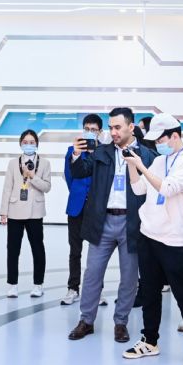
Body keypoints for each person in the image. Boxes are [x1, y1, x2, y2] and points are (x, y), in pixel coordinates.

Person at [121, 114, 183, 365]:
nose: (157, 144)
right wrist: (131, 164)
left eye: (160, 139)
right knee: (149, 292)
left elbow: (168, 188)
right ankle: (149, 340)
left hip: (175, 238)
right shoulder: (160, 161)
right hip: (149, 234)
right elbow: (139, 189)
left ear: (174, 136)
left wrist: (141, 165)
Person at [67, 107, 156, 343]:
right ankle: (86, 320)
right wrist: (76, 155)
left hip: (132, 223)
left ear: (131, 127)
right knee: (92, 274)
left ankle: (121, 322)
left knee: (129, 277)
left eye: (118, 127)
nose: (113, 132)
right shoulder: (101, 152)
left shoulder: (147, 156)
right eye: (110, 128)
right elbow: (80, 172)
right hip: (102, 222)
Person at [0, 129, 51, 299]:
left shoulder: (44, 163)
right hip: (15, 211)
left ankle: (38, 285)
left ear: (37, 144)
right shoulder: (13, 163)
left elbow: (47, 187)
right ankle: (12, 285)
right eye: (25, 142)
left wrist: (32, 176)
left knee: (38, 248)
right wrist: (3, 212)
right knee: (13, 249)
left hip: (35, 212)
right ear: (20, 144)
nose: (29, 145)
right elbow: (7, 188)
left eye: (32, 142)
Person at [62, 114, 102, 306]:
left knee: (98, 253)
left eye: (93, 129)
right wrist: (78, 193)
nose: (90, 132)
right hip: (76, 206)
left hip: (96, 208)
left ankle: (96, 291)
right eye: (87, 129)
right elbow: (69, 176)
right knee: (75, 250)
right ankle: (73, 288)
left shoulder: (104, 152)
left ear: (100, 132)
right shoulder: (73, 150)